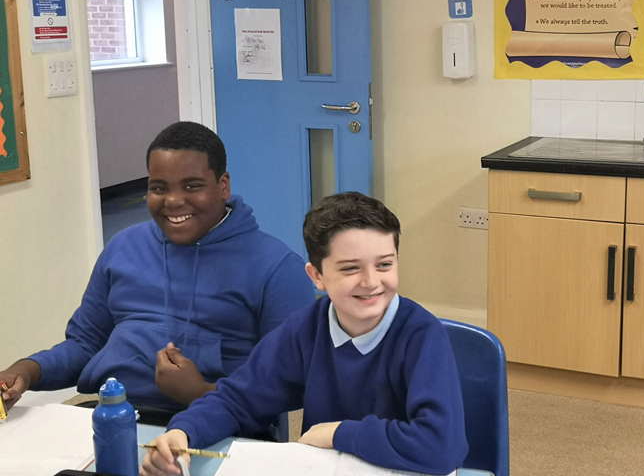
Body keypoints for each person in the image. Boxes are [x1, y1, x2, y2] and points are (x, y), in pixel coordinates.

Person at [0, 122, 315, 424]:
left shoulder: (276, 267)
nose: (173, 201)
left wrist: (202, 393)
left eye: (192, 186)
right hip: (116, 414)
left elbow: (293, 383)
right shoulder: (123, 247)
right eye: (159, 188)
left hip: (219, 421)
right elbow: (85, 344)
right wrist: (28, 370)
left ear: (223, 186)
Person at [141, 192, 468, 476]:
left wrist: (337, 433)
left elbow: (441, 447)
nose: (371, 282)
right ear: (317, 276)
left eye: (384, 264)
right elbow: (238, 399)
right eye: (350, 268)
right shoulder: (306, 329)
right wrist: (184, 432)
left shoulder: (422, 336)